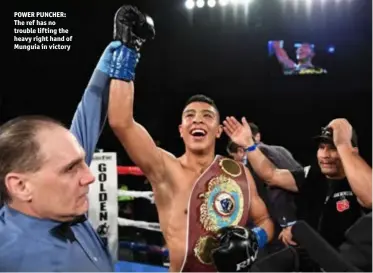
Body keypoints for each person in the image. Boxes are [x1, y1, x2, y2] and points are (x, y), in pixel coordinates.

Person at [107, 7, 274, 272]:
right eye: (190, 116)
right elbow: (120, 121)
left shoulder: (239, 173)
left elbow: (265, 220)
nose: (197, 120)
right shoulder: (164, 169)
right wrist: (127, 49)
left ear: (219, 130)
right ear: (181, 130)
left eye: (207, 116)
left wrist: (255, 237)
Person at [0, 40, 123, 271]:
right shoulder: (14, 260)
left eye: (81, 161)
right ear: (21, 186)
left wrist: (116, 62)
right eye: (71, 168)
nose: (89, 176)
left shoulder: (56, 200)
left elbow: (88, 116)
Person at [223, 116, 372, 251]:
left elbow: (370, 198)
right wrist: (249, 145)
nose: (325, 155)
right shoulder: (312, 175)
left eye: (333, 148)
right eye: (321, 147)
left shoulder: (359, 180)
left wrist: (343, 144)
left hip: (345, 263)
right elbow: (271, 175)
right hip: (309, 258)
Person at [227, 122, 303, 248]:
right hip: (302, 214)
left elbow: (276, 188)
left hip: (284, 223)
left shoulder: (256, 158)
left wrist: (288, 223)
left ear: (240, 151)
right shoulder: (280, 149)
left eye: (233, 157)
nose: (235, 162)